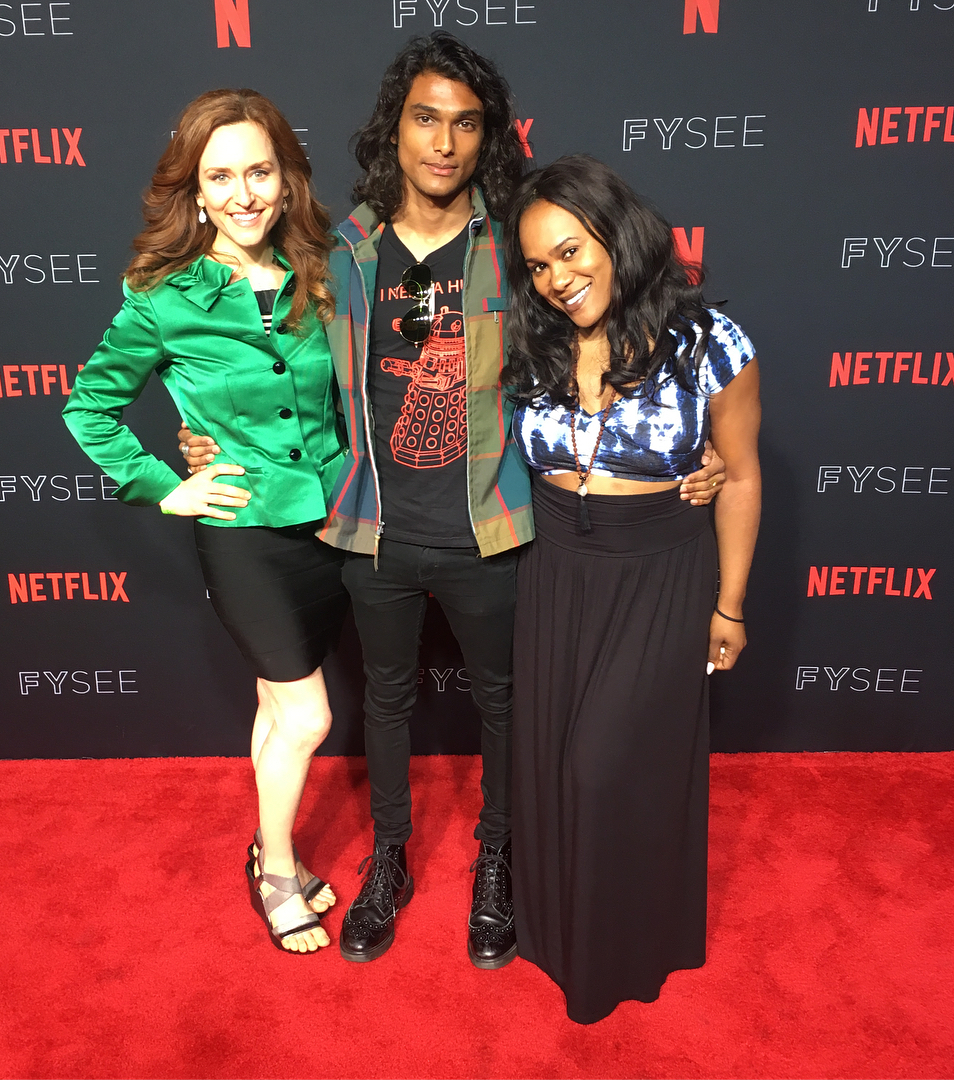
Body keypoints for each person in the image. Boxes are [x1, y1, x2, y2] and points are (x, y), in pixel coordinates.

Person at [180, 33, 726, 969]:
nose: (443, 142)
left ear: (489, 137)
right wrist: (205, 439)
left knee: (506, 707)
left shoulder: (515, 247)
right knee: (384, 705)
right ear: (393, 129)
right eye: (425, 119)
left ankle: (497, 863)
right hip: (373, 526)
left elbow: (607, 327)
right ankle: (389, 861)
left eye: (466, 124)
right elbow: (262, 365)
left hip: (495, 526)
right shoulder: (339, 252)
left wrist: (691, 443)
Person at [63, 89, 346, 954]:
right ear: (193, 191)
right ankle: (277, 871)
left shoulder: (327, 271)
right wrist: (164, 485)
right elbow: (89, 408)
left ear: (286, 179)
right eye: (219, 177)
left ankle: (266, 840)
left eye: (259, 172)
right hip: (243, 530)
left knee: (274, 703)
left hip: (335, 523)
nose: (242, 194)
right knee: (308, 718)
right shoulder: (163, 297)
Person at [503, 155, 762, 1022]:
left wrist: (729, 603)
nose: (557, 279)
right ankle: (556, 933)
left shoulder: (709, 342)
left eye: (571, 251)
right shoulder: (532, 340)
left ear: (616, 237)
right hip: (554, 574)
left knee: (602, 765)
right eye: (538, 265)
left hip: (659, 575)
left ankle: (623, 950)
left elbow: (743, 474)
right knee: (551, 764)